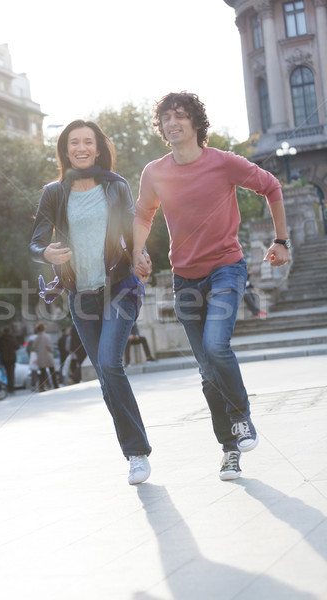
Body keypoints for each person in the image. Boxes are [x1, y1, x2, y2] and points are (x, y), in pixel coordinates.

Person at [133, 92, 290, 481]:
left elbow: (271, 187)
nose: (173, 123)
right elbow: (142, 214)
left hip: (226, 269)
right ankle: (229, 449)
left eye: (181, 116)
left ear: (196, 123)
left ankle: (242, 418)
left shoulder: (223, 163)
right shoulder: (155, 172)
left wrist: (281, 240)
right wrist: (136, 251)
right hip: (184, 277)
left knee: (217, 346)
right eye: (167, 117)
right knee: (206, 370)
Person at [29, 119, 152, 485]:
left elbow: (132, 228)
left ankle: (136, 453)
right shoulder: (53, 192)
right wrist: (45, 253)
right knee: (104, 375)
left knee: (109, 364)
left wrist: (140, 253)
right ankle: (134, 450)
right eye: (73, 143)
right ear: (65, 150)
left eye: (88, 142)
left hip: (120, 287)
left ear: (98, 148)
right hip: (80, 296)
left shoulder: (116, 186)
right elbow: (36, 240)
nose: (81, 148)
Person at [32, 322, 58, 393]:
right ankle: (55, 385)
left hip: (40, 357)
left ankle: (41, 387)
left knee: (42, 373)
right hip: (48, 356)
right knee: (52, 371)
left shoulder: (36, 338)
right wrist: (52, 351)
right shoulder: (47, 336)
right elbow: (49, 347)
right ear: (44, 329)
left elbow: (34, 348)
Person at [0, 326, 19, 394]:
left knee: (5, 374)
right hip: (12, 358)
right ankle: (11, 388)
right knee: (11, 374)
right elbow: (17, 346)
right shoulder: (12, 338)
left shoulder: (1, 339)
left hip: (4, 359)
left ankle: (7, 387)